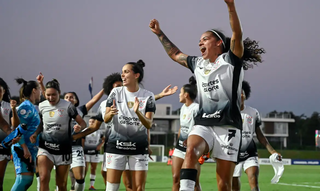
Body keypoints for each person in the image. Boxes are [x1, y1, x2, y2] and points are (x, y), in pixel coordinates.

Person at [149, 0, 265, 190]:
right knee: (191, 151)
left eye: (205, 39)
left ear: (219, 42)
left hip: (228, 127)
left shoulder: (231, 60)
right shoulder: (198, 64)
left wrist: (231, 7)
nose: (199, 42)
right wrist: (160, 33)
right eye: (200, 40)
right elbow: (175, 54)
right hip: (203, 123)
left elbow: (237, 34)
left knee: (224, 184)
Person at [99, 73, 177, 191]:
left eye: (121, 85)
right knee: (110, 183)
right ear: (110, 89)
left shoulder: (138, 97)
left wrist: (160, 95)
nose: (121, 88)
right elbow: (96, 123)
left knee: (130, 184)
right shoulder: (106, 104)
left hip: (135, 146)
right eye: (117, 86)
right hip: (114, 146)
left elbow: (142, 102)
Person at [101, 60, 155, 191]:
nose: (122, 75)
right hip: (116, 146)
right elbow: (106, 119)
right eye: (122, 72)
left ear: (136, 75)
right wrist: (111, 113)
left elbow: (148, 124)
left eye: (126, 72)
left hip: (138, 148)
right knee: (111, 188)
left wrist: (138, 112)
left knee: (138, 189)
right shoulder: (116, 92)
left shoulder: (148, 96)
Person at [32, 79, 87, 191]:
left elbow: (82, 123)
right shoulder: (42, 106)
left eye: (54, 95)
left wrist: (78, 128)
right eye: (48, 95)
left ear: (59, 93)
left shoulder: (68, 106)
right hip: (45, 147)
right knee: (43, 178)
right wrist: (35, 133)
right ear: (45, 94)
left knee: (61, 184)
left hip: (63, 149)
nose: (51, 98)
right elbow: (42, 123)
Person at [232, 81, 281, 191]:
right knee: (234, 186)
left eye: (242, 93)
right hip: (232, 154)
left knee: (253, 178)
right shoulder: (228, 113)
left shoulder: (253, 113)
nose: (240, 95)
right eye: (237, 93)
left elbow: (260, 136)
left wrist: (272, 151)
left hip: (250, 153)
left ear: (245, 95)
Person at [64, 88, 104, 191]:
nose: (69, 99)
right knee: (62, 179)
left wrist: (105, 88)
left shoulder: (80, 111)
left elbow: (94, 100)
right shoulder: (58, 110)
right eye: (67, 97)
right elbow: (47, 97)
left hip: (76, 147)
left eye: (72, 97)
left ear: (76, 100)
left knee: (80, 178)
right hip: (61, 147)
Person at [10, 78, 41, 191]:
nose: (40, 92)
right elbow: (17, 128)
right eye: (39, 89)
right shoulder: (26, 107)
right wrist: (24, 148)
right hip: (23, 149)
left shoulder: (31, 106)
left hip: (30, 149)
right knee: (23, 180)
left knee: (27, 181)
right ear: (34, 90)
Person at [171, 76, 200, 191]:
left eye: (180, 93)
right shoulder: (183, 108)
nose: (179, 95)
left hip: (192, 150)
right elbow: (181, 127)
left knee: (194, 182)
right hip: (179, 148)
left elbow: (200, 128)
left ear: (186, 95)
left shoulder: (196, 108)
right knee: (175, 178)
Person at [0, 78, 14, 191]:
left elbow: (4, 124)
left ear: (4, 91)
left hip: (2, 147)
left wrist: (11, 134)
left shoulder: (8, 107)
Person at [82, 117, 104, 190]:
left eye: (93, 122)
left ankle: (91, 186)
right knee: (85, 169)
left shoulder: (99, 131)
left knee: (93, 169)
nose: (91, 123)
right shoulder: (85, 131)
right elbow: (82, 141)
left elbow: (104, 139)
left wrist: (100, 146)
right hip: (86, 153)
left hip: (95, 153)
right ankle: (82, 185)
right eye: (90, 122)